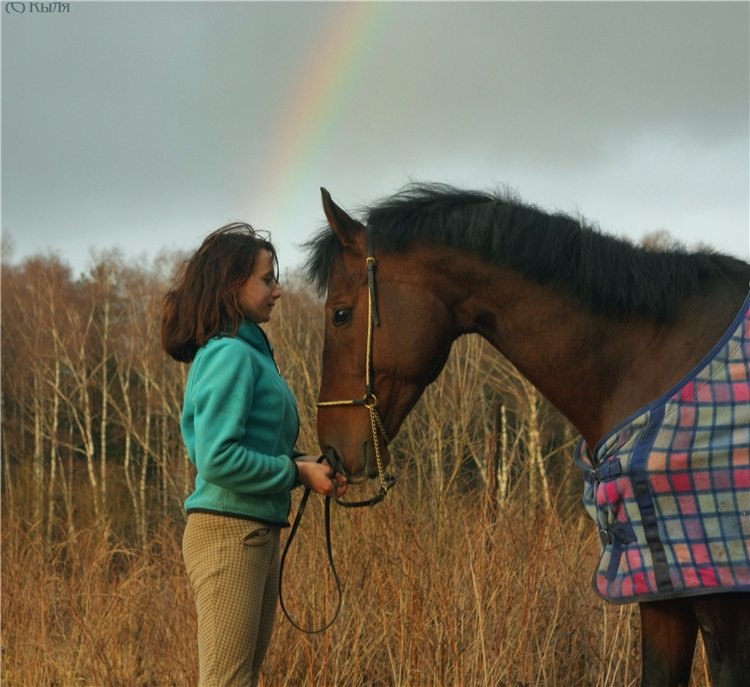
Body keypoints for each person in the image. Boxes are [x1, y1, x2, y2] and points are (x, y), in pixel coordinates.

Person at [161, 222, 347, 687]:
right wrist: (295, 473)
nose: (278, 291)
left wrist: (309, 464)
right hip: (229, 533)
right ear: (231, 284)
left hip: (253, 532)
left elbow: (259, 447)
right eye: (267, 279)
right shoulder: (230, 355)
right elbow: (218, 458)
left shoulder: (250, 353)